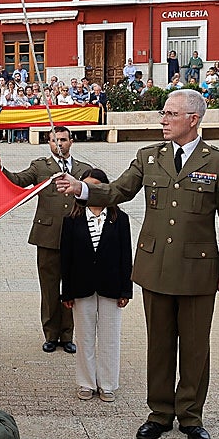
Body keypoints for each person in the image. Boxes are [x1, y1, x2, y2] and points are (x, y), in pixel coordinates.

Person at [55, 89, 219, 439]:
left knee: (195, 348)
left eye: (171, 114)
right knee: (159, 345)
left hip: (198, 272)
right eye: (163, 113)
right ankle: (159, 413)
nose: (164, 120)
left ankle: (191, 416)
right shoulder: (149, 157)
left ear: (193, 119)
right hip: (155, 267)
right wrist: (81, 189)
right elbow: (118, 192)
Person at [1, 125, 94, 353]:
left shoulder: (84, 169)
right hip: (47, 237)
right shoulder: (41, 166)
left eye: (63, 140)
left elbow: (96, 193)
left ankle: (67, 335)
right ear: (49, 143)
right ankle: (51, 334)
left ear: (71, 142)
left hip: (76, 237)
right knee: (50, 288)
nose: (59, 144)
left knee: (71, 287)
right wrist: (1, 169)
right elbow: (19, 180)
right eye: (54, 140)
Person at [60, 168, 132, 403]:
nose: (91, 191)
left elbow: (126, 256)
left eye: (96, 187)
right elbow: (66, 258)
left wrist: (126, 290)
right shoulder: (71, 219)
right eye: (86, 186)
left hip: (111, 287)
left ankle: (108, 383)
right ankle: (86, 382)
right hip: (81, 287)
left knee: (110, 337)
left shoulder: (120, 219)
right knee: (85, 337)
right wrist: (66, 292)